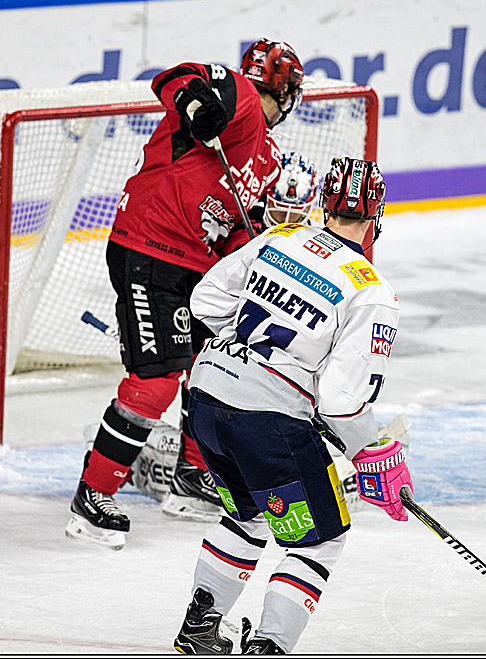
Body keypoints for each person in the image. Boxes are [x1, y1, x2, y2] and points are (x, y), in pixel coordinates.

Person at [65, 38, 306, 550]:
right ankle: (93, 494)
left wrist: (256, 263)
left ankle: (193, 477)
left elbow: (241, 229)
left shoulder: (270, 157)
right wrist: (199, 103)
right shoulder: (236, 96)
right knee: (156, 381)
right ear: (284, 88)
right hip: (149, 247)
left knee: (214, 367)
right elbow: (174, 77)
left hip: (201, 268)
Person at [171, 157, 412, 654]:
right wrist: (377, 452)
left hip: (208, 401)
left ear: (325, 205)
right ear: (376, 217)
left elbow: (207, 300)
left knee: (248, 517)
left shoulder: (281, 237)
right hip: (266, 425)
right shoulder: (370, 291)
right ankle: (270, 647)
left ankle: (199, 628)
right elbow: (343, 403)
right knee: (319, 538)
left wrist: (255, 363)